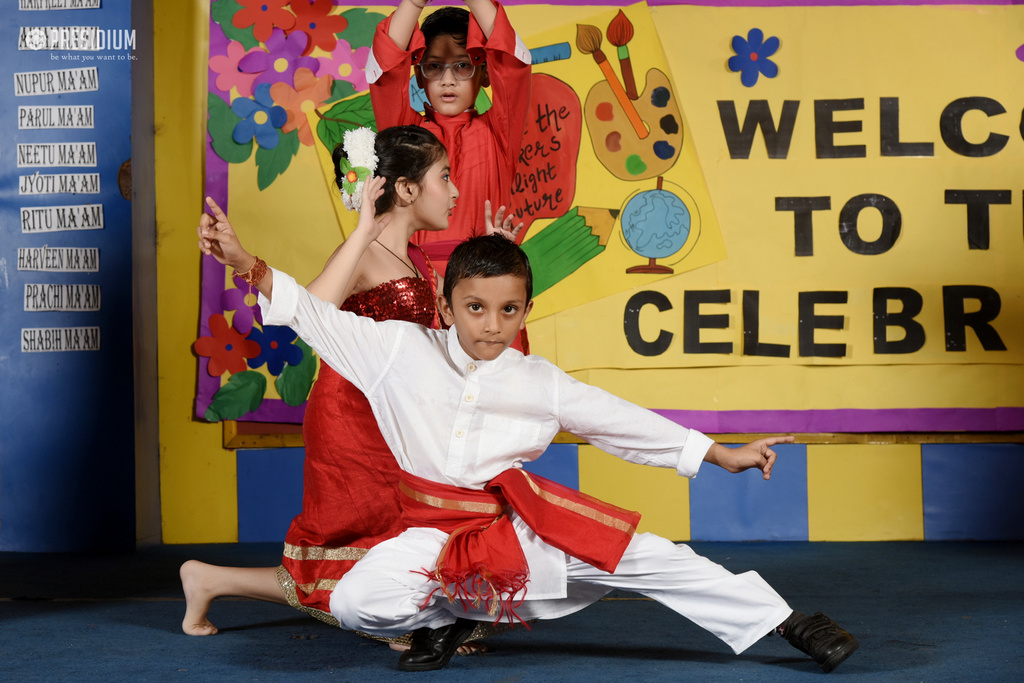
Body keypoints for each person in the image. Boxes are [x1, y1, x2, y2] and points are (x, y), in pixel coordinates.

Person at [195, 185, 861, 674]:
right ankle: (444, 619)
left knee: (652, 556)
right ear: (448, 303)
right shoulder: (398, 348)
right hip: (425, 534)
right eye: (476, 307)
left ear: (526, 309)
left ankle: (786, 620)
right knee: (357, 600)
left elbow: (622, 424)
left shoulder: (539, 381)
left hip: (517, 528)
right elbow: (313, 317)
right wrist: (244, 260)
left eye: (508, 309)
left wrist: (721, 454)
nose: (491, 323)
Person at [182, 126, 518, 651]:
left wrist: (499, 264)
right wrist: (362, 230)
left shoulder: (419, 261)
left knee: (390, 537)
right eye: (445, 177)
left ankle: (208, 579)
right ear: (406, 189)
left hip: (393, 417)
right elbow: (308, 313)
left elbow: (444, 348)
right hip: (352, 419)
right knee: (366, 537)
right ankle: (401, 618)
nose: (455, 192)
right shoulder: (362, 253)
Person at [367, 0, 531, 278]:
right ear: (418, 75)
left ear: (486, 73)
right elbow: (385, 69)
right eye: (434, 66)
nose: (448, 79)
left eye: (463, 65)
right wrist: (414, 2)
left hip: (484, 282)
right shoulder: (407, 136)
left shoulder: (499, 132)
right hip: (413, 280)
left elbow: (512, 64)